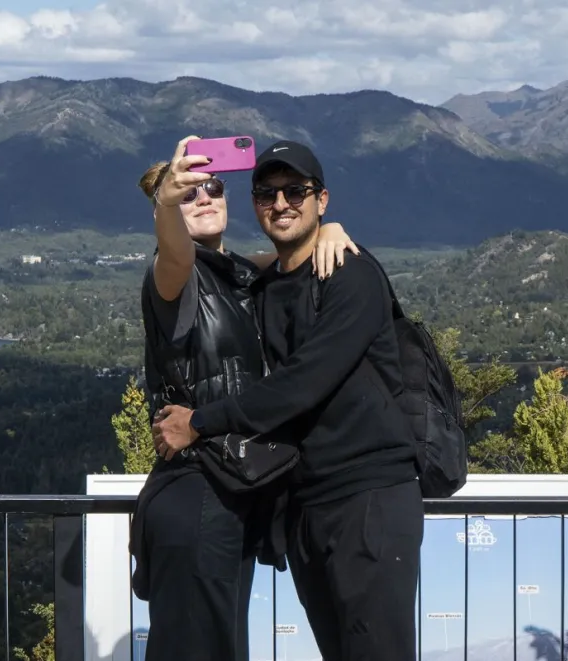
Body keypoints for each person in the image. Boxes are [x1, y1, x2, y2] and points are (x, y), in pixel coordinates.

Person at [152, 140, 423, 661]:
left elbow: (302, 382)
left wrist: (202, 421)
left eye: (296, 191)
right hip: (305, 505)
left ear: (322, 198)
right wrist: (167, 202)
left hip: (367, 496)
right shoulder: (266, 284)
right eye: (267, 194)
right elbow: (193, 258)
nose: (281, 203)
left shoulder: (352, 273)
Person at [129, 135, 358, 661]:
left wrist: (333, 228)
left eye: (213, 187)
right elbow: (175, 252)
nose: (204, 197)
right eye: (190, 194)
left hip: (234, 492)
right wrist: (167, 201)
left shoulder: (239, 277)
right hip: (195, 488)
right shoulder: (172, 280)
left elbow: (287, 253)